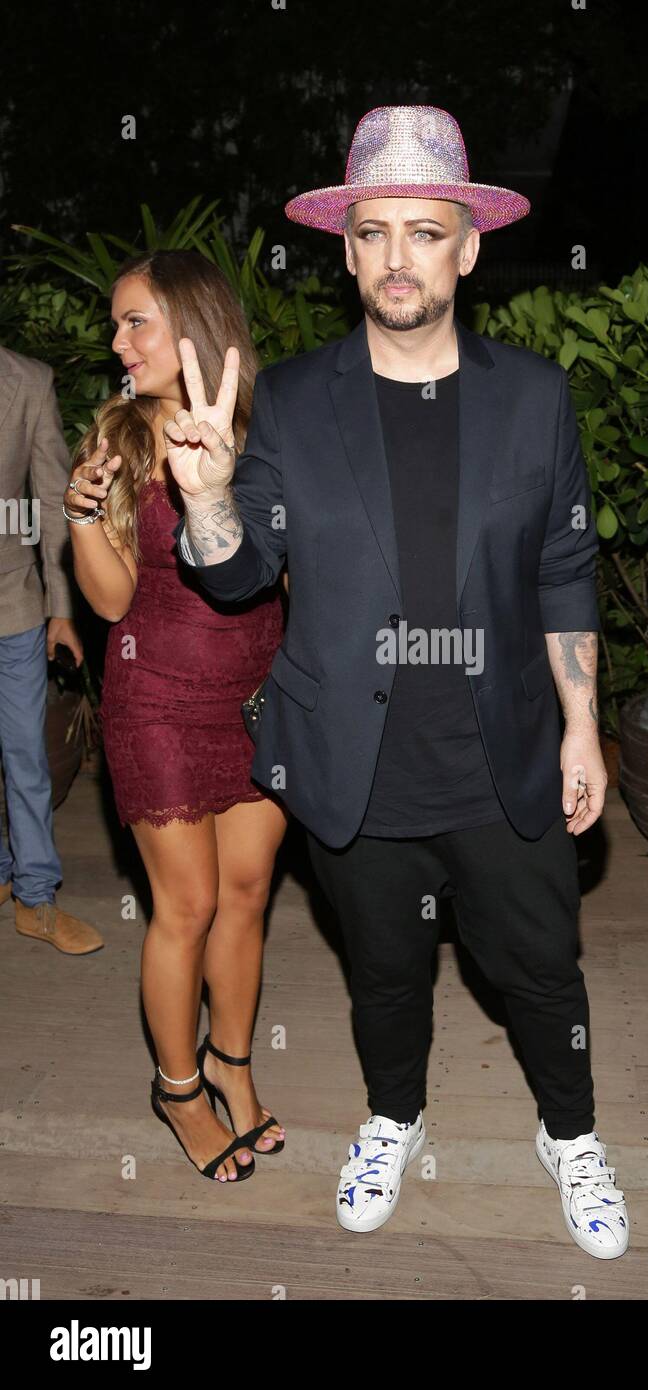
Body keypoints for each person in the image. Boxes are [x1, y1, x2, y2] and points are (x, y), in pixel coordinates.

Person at [167, 106, 628, 1255]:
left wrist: (580, 723)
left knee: (539, 973)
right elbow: (239, 575)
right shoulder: (293, 403)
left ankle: (567, 1134)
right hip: (351, 766)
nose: (395, 259)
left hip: (502, 756)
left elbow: (565, 563)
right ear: (346, 249)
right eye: (372, 233)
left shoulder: (533, 397)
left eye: (423, 233)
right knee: (382, 974)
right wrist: (210, 495)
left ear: (467, 246)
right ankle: (393, 1116)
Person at [65, 250, 287, 1183]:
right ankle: (179, 1085)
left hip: (259, 698)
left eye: (135, 321)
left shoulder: (265, 429)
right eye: (116, 325)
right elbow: (111, 605)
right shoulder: (115, 442)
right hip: (154, 699)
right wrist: (80, 514)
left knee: (245, 896)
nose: (117, 343)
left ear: (194, 324)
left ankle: (234, 1066)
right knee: (185, 905)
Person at [0, 342, 103, 953]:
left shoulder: (29, 382)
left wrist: (62, 610)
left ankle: (36, 896)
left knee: (25, 756)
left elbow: (49, 503)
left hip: (13, 602)